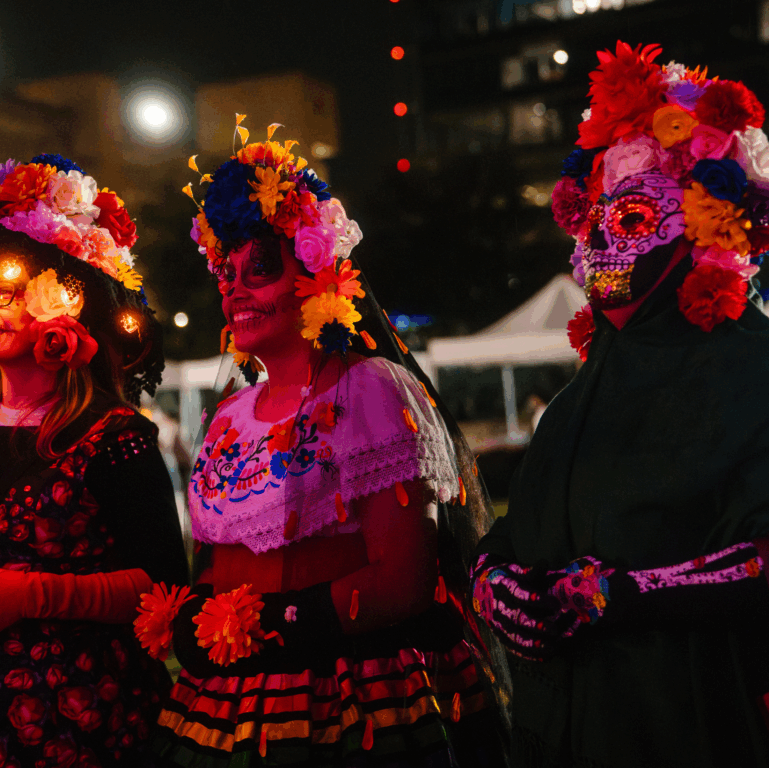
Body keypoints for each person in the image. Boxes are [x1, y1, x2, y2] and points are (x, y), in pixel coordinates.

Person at [470, 42, 769, 767]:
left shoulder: (762, 376)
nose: (601, 246)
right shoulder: (579, 398)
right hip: (566, 731)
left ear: (704, 219)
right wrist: (497, 586)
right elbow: (510, 539)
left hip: (697, 729)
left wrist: (624, 595)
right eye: (594, 222)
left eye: (632, 219)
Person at [139, 122, 508, 767]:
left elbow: (402, 581)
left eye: (259, 266)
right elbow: (215, 563)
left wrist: (274, 628)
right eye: (224, 270)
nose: (232, 286)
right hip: (227, 704)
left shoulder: (367, 392)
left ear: (316, 270)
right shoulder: (230, 414)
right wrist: (199, 619)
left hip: (347, 699)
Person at [0, 154, 188, 766]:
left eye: (7, 291)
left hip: (85, 718)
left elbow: (163, 586)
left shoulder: (114, 434)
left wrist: (26, 597)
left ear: (58, 304)